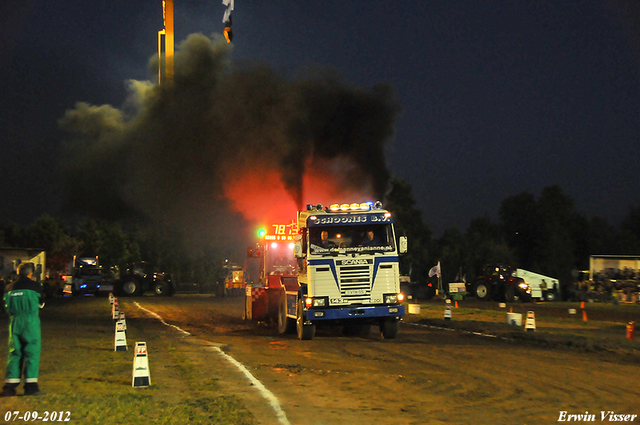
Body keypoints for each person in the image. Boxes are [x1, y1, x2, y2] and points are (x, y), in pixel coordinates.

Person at [2, 263, 44, 397]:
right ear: (31, 273)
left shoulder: (8, 287)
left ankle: (9, 387)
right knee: (32, 352)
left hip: (14, 321)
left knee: (14, 352)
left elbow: (5, 305)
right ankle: (31, 387)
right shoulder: (36, 286)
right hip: (30, 321)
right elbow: (41, 304)